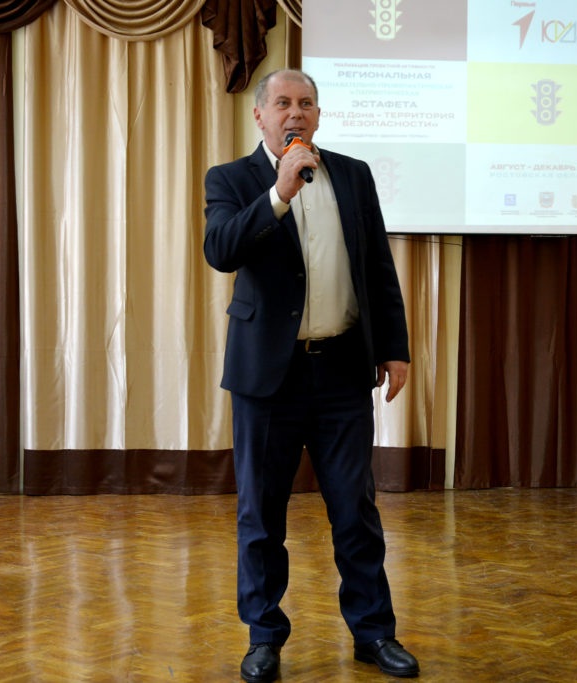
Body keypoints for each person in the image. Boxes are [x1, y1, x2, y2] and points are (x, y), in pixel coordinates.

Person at [203, 70, 419, 681]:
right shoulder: (231, 179)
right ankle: (264, 636)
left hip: (342, 371)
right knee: (261, 516)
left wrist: (395, 347)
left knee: (355, 511)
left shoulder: (353, 175)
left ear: (318, 116)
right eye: (282, 103)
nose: (294, 112)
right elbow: (221, 250)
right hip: (266, 378)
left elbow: (377, 265)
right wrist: (279, 192)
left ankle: (374, 633)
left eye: (305, 103)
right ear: (260, 116)